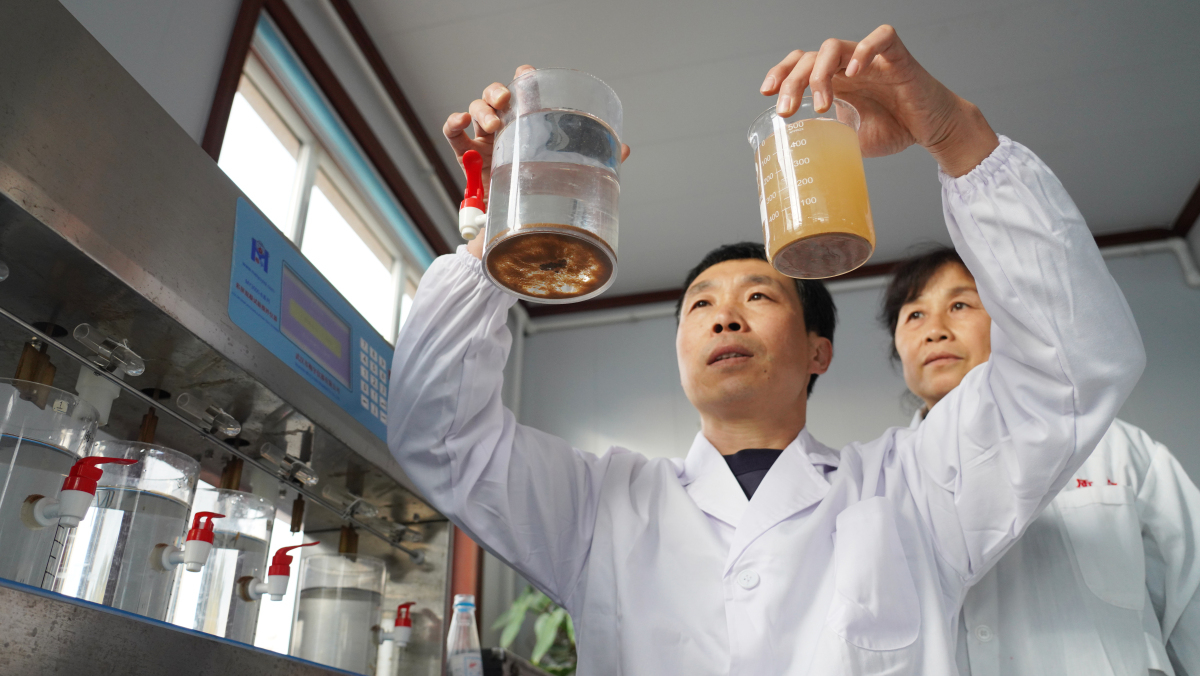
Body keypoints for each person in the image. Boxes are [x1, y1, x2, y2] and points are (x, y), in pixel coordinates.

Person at [389, 25, 1145, 674]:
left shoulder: (913, 488)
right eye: (700, 306)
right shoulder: (598, 507)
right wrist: (494, 231)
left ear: (819, 351)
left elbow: (1071, 371)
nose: (724, 318)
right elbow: (439, 436)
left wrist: (957, 136)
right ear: (679, 351)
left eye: (759, 297)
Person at [882, 246, 1200, 676]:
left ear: (1006, 321)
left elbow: (1192, 595)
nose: (935, 331)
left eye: (960, 305)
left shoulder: (1115, 447)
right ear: (897, 345)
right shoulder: (883, 483)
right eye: (915, 315)